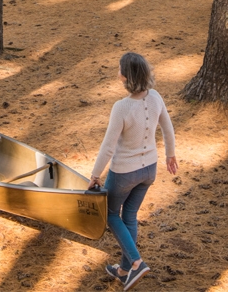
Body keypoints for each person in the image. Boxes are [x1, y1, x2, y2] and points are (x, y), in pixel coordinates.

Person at [88, 52, 178, 291]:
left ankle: (136, 262)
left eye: (119, 69)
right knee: (129, 216)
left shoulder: (122, 107)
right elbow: (168, 130)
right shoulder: (155, 97)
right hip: (149, 170)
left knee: (109, 214)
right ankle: (124, 269)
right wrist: (170, 155)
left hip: (124, 172)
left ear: (126, 76)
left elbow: (108, 146)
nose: (117, 71)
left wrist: (95, 175)